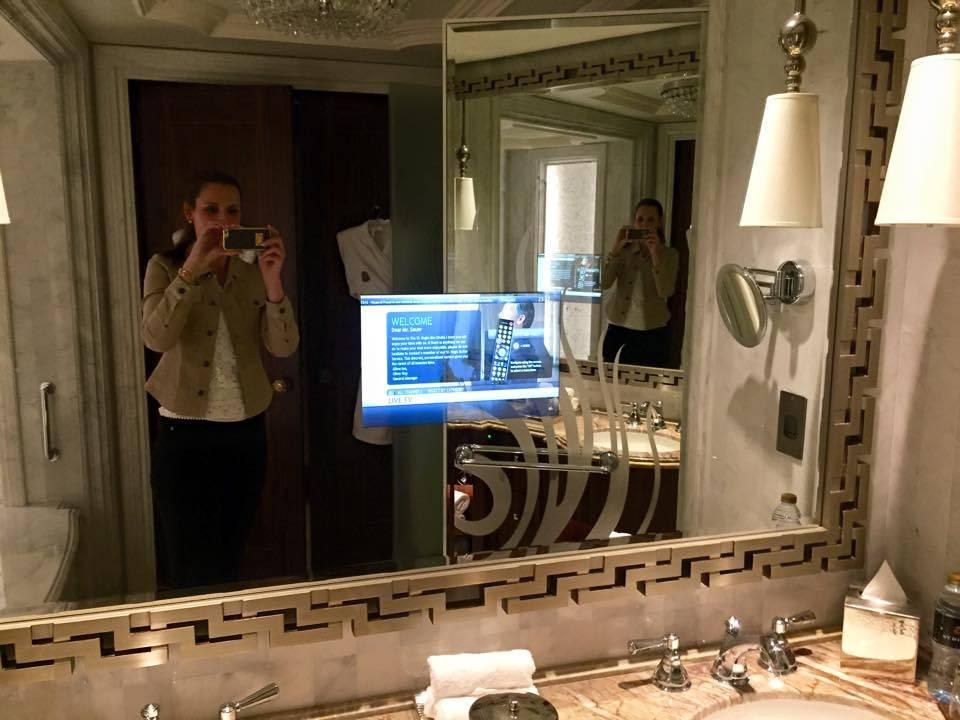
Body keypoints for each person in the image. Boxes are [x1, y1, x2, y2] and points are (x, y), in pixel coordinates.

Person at [141, 170, 299, 591]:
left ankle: (226, 630)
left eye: (232, 211)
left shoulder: (253, 269)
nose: (224, 220)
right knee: (186, 558)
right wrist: (191, 270)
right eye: (211, 210)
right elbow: (156, 338)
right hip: (184, 433)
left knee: (231, 552)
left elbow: (283, 347)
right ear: (189, 213)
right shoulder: (165, 267)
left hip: (246, 432)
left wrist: (273, 281)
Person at [601, 198, 679, 367]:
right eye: (640, 219)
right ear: (634, 222)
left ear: (659, 222)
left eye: (650, 220)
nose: (644, 224)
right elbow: (603, 283)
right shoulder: (623, 251)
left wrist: (655, 254)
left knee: (649, 381)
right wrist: (615, 249)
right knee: (611, 380)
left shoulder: (669, 255)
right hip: (618, 327)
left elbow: (665, 291)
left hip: (653, 331)